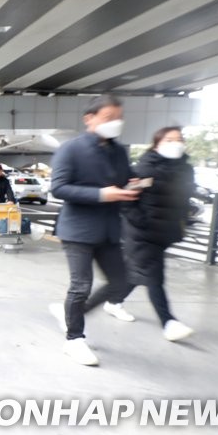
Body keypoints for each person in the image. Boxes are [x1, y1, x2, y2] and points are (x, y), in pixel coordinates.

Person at [47, 95, 140, 366]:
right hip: (78, 229)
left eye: (119, 118)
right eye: (109, 117)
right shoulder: (71, 149)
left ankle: (70, 314)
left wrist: (134, 184)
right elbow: (59, 188)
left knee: (120, 282)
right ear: (89, 118)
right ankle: (74, 339)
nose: (116, 123)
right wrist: (101, 194)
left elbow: (125, 178)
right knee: (81, 286)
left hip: (109, 229)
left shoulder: (119, 151)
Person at [122, 127, 195, 341]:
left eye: (179, 139)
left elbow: (184, 198)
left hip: (166, 232)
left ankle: (113, 300)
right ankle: (168, 322)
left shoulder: (186, 170)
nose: (176, 143)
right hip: (142, 233)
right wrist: (140, 221)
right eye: (169, 139)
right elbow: (127, 199)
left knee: (136, 272)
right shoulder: (145, 169)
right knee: (155, 276)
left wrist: (183, 219)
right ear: (156, 145)